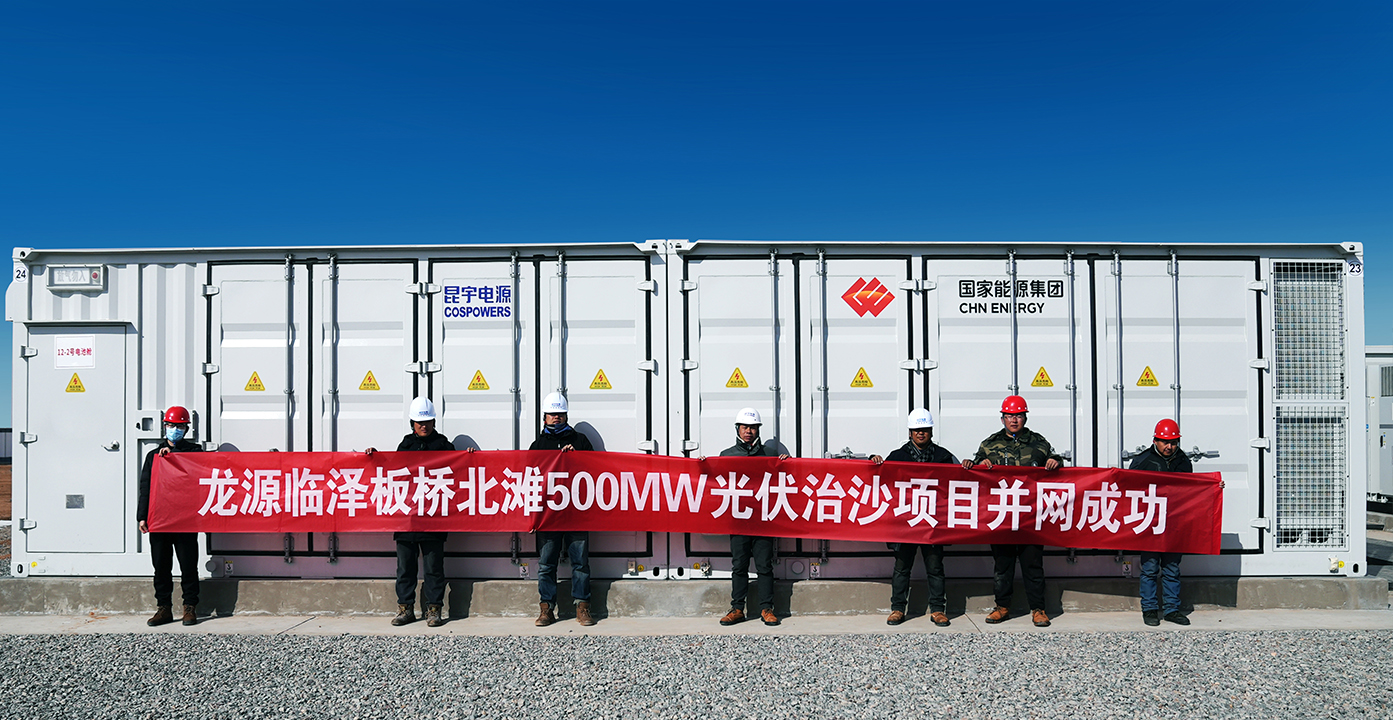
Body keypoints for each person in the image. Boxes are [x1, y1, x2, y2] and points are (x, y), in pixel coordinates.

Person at [962, 395, 1063, 628]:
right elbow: (975, 469)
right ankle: (1002, 607)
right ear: (1002, 419)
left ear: (1025, 418)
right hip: (1002, 516)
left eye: (1018, 416)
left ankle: (1038, 609)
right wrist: (979, 465)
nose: (1014, 420)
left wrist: (1056, 462)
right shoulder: (989, 444)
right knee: (1002, 565)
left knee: (1033, 565)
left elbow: (1056, 462)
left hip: (1031, 516)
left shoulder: (1039, 442)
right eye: (1009, 416)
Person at [365, 396, 460, 628]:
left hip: (434, 519)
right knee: (405, 568)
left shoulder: (444, 446)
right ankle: (405, 608)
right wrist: (375, 457)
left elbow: (460, 471)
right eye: (419, 422)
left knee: (433, 568)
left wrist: (468, 456)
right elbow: (392, 470)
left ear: (434, 422)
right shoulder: (405, 446)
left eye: (427, 421)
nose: (423, 426)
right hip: (407, 519)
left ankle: (434, 609)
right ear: (412, 423)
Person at [870, 408, 958, 627]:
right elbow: (881, 480)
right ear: (910, 432)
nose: (921, 433)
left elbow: (958, 482)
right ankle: (898, 609)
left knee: (935, 567)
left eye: (925, 429)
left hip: (932, 522)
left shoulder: (943, 457)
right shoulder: (897, 457)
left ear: (931, 431)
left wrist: (968, 466)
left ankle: (938, 609)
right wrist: (873, 460)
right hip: (905, 523)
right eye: (917, 430)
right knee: (902, 567)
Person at [529, 392, 596, 627]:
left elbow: (596, 470)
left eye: (560, 414)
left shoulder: (580, 441)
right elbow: (529, 479)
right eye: (552, 414)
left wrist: (578, 458)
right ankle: (546, 609)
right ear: (544, 417)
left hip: (576, 513)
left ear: (566, 416)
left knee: (580, 563)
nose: (556, 418)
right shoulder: (538, 445)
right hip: (548, 516)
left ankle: (583, 607)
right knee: (546, 564)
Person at [717, 408, 789, 627]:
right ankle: (737, 609)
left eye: (753, 427)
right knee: (739, 566)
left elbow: (786, 478)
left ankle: (767, 609)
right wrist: (702, 464)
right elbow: (713, 480)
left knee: (764, 566)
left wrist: (787, 463)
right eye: (745, 427)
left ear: (758, 430)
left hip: (763, 519)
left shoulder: (770, 455)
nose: (749, 431)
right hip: (738, 519)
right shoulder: (726, 455)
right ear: (737, 429)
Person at [137, 406, 204, 627]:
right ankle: (163, 608)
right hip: (159, 519)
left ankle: (190, 607)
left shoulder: (194, 452)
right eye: (171, 425)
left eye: (179, 426)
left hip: (184, 520)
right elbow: (145, 487)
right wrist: (142, 517)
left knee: (188, 565)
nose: (174, 429)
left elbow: (201, 470)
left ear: (186, 429)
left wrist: (174, 456)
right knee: (161, 567)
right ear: (164, 426)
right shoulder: (153, 456)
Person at [1130, 418, 1194, 627]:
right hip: (1150, 524)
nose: (1169, 447)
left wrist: (1213, 487)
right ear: (1155, 441)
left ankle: (1172, 610)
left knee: (1172, 568)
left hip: (1174, 524)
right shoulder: (1142, 461)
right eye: (1165, 442)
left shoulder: (1183, 462)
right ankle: (1149, 609)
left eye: (1174, 442)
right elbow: (1129, 490)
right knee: (1149, 568)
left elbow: (1192, 490)